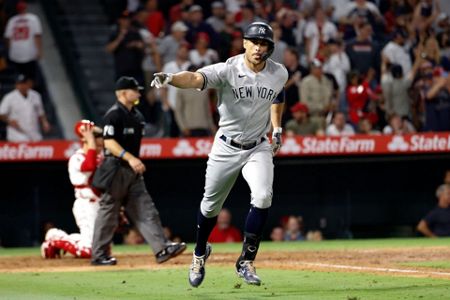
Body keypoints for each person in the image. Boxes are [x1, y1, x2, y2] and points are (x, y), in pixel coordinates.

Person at [151, 21, 288, 287]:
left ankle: (246, 261)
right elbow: (194, 78)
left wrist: (278, 128)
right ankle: (199, 254)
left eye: (264, 44)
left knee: (263, 196)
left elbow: (278, 96)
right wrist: (170, 78)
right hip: (226, 145)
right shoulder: (228, 69)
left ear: (270, 48)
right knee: (210, 206)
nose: (259, 48)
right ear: (244, 43)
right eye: (255, 42)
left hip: (258, 146)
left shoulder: (278, 72)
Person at [90, 76, 186, 266]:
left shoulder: (137, 116)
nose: (139, 93)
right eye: (135, 90)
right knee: (109, 212)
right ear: (123, 93)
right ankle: (99, 255)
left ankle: (161, 248)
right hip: (115, 168)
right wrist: (131, 158)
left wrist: (133, 161)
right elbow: (109, 143)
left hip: (132, 171)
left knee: (146, 209)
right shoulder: (113, 115)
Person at [41, 120, 104, 259]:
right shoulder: (76, 157)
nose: (99, 148)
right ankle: (54, 237)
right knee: (90, 251)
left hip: (100, 204)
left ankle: (64, 238)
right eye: (96, 145)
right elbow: (89, 166)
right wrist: (91, 143)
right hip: (85, 204)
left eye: (100, 145)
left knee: (103, 249)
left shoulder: (99, 157)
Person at [0, 73, 50, 142]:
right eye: (19, 84)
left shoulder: (36, 95)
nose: (22, 86)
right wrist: (9, 121)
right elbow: (1, 114)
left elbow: (40, 112)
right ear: (16, 85)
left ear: (28, 84)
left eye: (24, 83)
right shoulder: (9, 97)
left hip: (34, 132)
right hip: (16, 134)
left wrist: (45, 122)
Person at [3, 1, 42, 82]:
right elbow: (37, 36)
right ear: (25, 8)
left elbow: (7, 38)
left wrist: (10, 50)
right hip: (29, 52)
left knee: (19, 75)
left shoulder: (12, 20)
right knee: (31, 77)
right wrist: (39, 50)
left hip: (16, 53)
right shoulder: (33, 18)